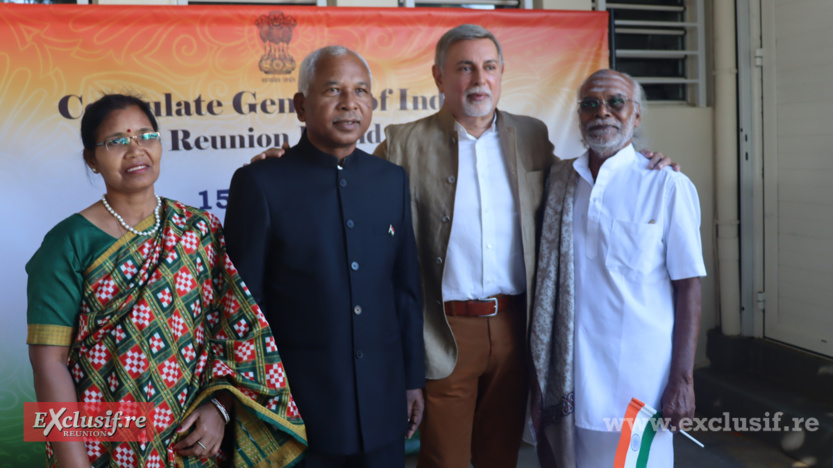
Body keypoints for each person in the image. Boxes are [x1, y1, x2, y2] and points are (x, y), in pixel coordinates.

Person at [373, 25, 675, 468]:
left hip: (517, 327)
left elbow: (581, 180)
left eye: (489, 67)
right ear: (439, 78)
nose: (479, 79)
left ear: (501, 74)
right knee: (444, 461)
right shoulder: (403, 143)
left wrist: (641, 161)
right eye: (465, 68)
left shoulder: (531, 136)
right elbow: (355, 192)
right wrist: (289, 164)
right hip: (443, 332)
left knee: (501, 457)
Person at [26, 94, 306, 468]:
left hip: (188, 441)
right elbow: (49, 364)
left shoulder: (199, 230)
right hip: (101, 444)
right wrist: (74, 463)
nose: (135, 150)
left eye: (146, 136)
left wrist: (220, 410)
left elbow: (232, 335)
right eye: (116, 141)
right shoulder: (67, 243)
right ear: (91, 159)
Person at [223, 46, 425, 468]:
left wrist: (411, 381)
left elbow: (404, 291)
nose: (350, 103)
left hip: (382, 403)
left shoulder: (391, 180)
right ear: (300, 105)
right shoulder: (260, 183)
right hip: (297, 410)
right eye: (333, 90)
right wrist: (248, 398)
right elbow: (242, 306)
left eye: (361, 91)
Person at [529, 69, 705, 467]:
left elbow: (689, 287)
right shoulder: (561, 183)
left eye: (615, 103)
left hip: (642, 388)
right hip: (573, 384)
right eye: (590, 104)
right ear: (579, 117)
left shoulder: (666, 185)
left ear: (636, 116)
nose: (602, 112)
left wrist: (683, 380)